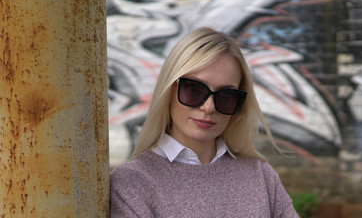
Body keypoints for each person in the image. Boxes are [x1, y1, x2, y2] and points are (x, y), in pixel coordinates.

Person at [110, 27, 299, 217]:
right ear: (169, 90)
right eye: (194, 89)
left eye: (226, 96)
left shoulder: (261, 176)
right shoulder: (131, 183)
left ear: (239, 104)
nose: (209, 107)